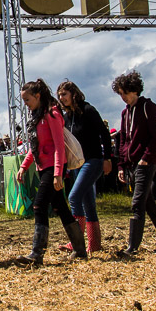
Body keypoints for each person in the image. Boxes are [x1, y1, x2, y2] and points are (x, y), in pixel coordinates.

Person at [15, 79, 87, 265]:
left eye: (27, 99)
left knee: (39, 206)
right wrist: (24, 166)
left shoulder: (52, 114)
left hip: (52, 168)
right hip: (43, 167)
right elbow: (36, 146)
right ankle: (80, 250)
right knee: (60, 207)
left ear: (38, 96)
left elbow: (58, 146)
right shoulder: (37, 116)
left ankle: (37, 254)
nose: (25, 104)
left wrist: (57, 173)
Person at [113, 71, 156, 255]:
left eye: (125, 92)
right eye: (120, 93)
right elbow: (123, 140)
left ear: (134, 90)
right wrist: (122, 165)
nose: (123, 97)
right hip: (132, 163)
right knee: (149, 204)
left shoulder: (148, 106)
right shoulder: (125, 113)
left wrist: (146, 158)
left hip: (146, 163)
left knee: (138, 202)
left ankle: (132, 247)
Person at [56, 80, 112, 253]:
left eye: (64, 94)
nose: (61, 98)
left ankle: (76, 242)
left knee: (74, 197)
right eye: (59, 95)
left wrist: (107, 158)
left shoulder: (88, 110)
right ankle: (94, 244)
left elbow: (104, 134)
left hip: (93, 160)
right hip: (78, 164)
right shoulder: (66, 117)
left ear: (74, 94)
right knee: (88, 204)